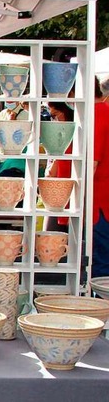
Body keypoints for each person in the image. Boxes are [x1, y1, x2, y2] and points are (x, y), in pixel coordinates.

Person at [43, 101, 75, 232]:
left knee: (51, 238)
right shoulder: (63, 137)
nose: (53, 120)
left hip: (60, 196)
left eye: (55, 115)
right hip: (59, 197)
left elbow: (51, 172)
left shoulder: (68, 140)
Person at [93, 76, 109, 277]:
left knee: (101, 263)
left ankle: (101, 306)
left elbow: (93, 164)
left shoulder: (98, 114)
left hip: (100, 199)